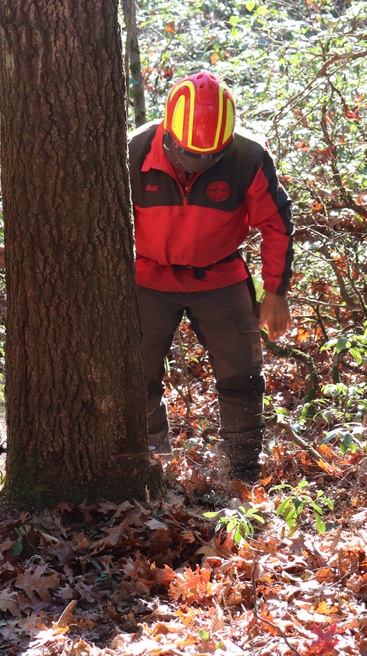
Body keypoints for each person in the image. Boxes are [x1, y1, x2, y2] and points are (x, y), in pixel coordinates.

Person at [128, 71, 294, 485]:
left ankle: (239, 475)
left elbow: (276, 224)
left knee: (243, 377)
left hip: (220, 274)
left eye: (208, 157)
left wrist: (275, 292)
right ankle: (148, 464)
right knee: (134, 375)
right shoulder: (135, 149)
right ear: (168, 130)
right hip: (148, 275)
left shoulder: (248, 156)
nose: (196, 163)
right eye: (187, 154)